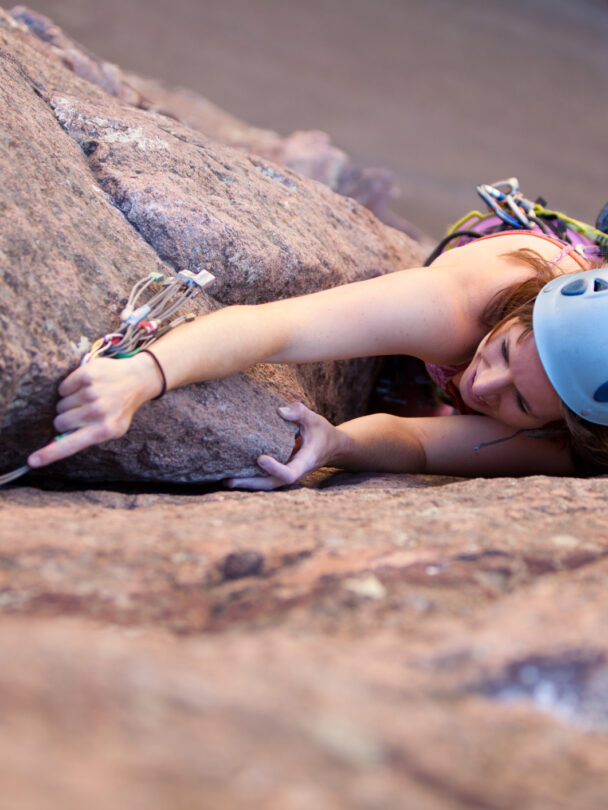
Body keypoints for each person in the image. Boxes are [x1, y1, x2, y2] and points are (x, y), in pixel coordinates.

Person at [25, 228, 608, 488]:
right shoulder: (459, 309)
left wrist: (340, 443)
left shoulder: (577, 440)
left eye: (521, 401)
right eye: (505, 348)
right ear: (520, 307)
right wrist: (142, 374)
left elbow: (425, 444)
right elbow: (280, 328)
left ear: (563, 425)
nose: (484, 383)